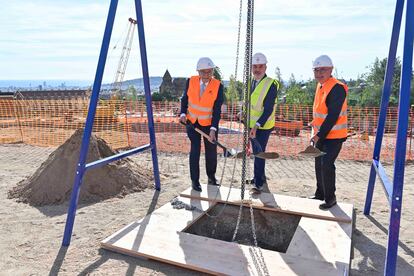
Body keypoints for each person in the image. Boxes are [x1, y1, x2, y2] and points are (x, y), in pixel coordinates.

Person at [309, 55, 348, 210]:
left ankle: (330, 199)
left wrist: (319, 134)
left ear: (331, 69)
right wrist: (314, 129)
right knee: (319, 164)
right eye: (316, 70)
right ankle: (320, 194)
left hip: (334, 136)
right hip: (321, 134)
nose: (319, 73)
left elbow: (333, 116)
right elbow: (320, 113)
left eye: (322, 70)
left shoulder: (337, 87)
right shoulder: (321, 86)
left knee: (327, 165)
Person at [180, 57, 224, 192]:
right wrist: (182, 114)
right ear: (198, 71)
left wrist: (213, 129)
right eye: (204, 72)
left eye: (209, 72)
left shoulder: (218, 86)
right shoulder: (190, 81)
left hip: (209, 125)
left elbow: (217, 109)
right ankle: (195, 181)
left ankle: (211, 177)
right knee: (195, 150)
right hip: (192, 123)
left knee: (211, 151)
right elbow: (184, 99)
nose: (207, 75)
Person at [246, 52, 279, 194]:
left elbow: (268, 109)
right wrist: (243, 113)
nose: (257, 69)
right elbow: (250, 102)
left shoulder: (271, 84)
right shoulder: (250, 82)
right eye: (255, 66)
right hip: (251, 124)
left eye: (260, 66)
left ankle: (258, 184)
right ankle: (259, 177)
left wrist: (257, 125)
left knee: (259, 153)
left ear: (265, 67)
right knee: (257, 152)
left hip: (263, 126)